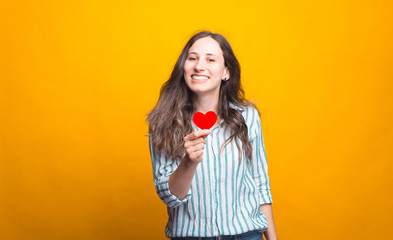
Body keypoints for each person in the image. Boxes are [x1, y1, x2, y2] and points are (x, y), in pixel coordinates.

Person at [147, 31, 278, 240]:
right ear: (184, 67)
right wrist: (189, 163)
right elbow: (170, 197)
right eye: (193, 58)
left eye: (210, 59)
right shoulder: (163, 122)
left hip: (245, 235)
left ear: (226, 72)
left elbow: (260, 186)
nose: (200, 66)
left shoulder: (248, 117)